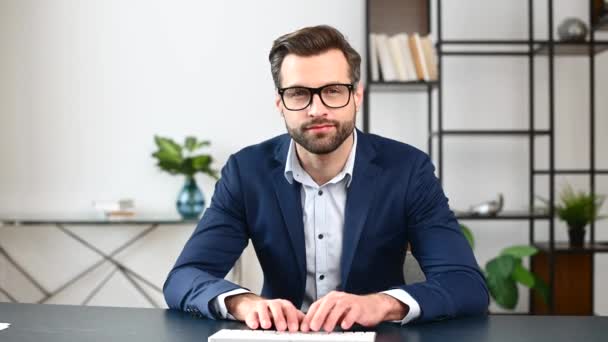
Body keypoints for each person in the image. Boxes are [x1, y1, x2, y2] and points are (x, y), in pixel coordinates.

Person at [163, 25, 488, 333]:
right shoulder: (246, 172)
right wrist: (243, 303)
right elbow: (185, 277)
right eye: (299, 93)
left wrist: (382, 304)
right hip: (279, 336)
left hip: (376, 336)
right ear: (281, 103)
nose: (317, 109)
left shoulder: (408, 170)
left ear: (356, 96)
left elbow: (464, 283)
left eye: (333, 91)